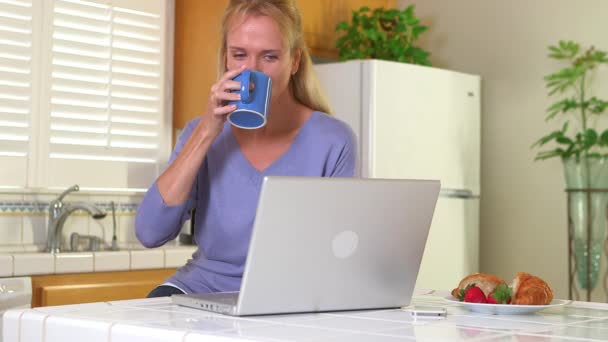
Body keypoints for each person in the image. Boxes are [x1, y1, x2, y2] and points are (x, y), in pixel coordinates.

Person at [135, 0, 357, 297]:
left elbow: (340, 249)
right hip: (201, 290)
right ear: (226, 59)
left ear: (294, 62)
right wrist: (206, 131)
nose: (251, 70)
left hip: (288, 297)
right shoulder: (199, 133)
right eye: (239, 55)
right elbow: (150, 233)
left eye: (269, 57)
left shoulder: (333, 140)